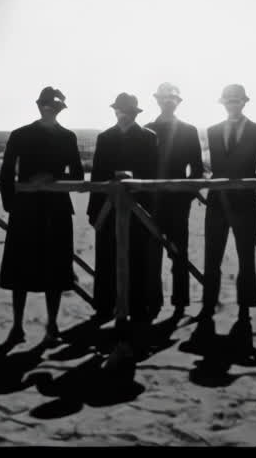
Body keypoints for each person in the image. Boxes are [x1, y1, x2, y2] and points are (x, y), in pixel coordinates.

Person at [0, 86, 86, 346]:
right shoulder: (20, 135)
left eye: (53, 106)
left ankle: (52, 325)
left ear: (58, 109)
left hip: (56, 209)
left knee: (56, 270)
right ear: (39, 106)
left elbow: (79, 175)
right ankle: (17, 326)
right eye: (45, 105)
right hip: (25, 210)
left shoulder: (67, 137)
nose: (48, 109)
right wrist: (10, 205)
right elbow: (6, 173)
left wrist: (52, 179)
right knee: (19, 269)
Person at [196, 84, 256, 350]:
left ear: (244, 103)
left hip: (244, 203)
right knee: (212, 256)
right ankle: (208, 307)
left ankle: (245, 310)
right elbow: (209, 167)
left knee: (246, 257)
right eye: (228, 101)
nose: (232, 105)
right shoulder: (212, 131)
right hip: (217, 203)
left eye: (236, 101)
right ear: (223, 104)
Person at [88, 92, 162, 332]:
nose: (123, 115)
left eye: (128, 111)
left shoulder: (148, 138)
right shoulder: (105, 137)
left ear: (135, 113)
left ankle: (139, 306)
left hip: (139, 207)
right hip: (107, 207)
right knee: (106, 256)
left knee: (139, 257)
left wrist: (140, 189)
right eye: (120, 110)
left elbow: (154, 173)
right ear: (115, 111)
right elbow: (97, 174)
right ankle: (104, 305)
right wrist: (94, 210)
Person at [143, 82, 204, 321]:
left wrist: (185, 195)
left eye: (172, 99)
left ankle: (180, 304)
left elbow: (197, 169)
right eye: (163, 99)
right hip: (151, 202)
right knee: (151, 254)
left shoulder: (188, 131)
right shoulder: (146, 130)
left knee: (179, 253)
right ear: (157, 101)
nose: (167, 102)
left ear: (178, 102)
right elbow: (143, 168)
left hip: (178, 203)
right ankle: (152, 302)